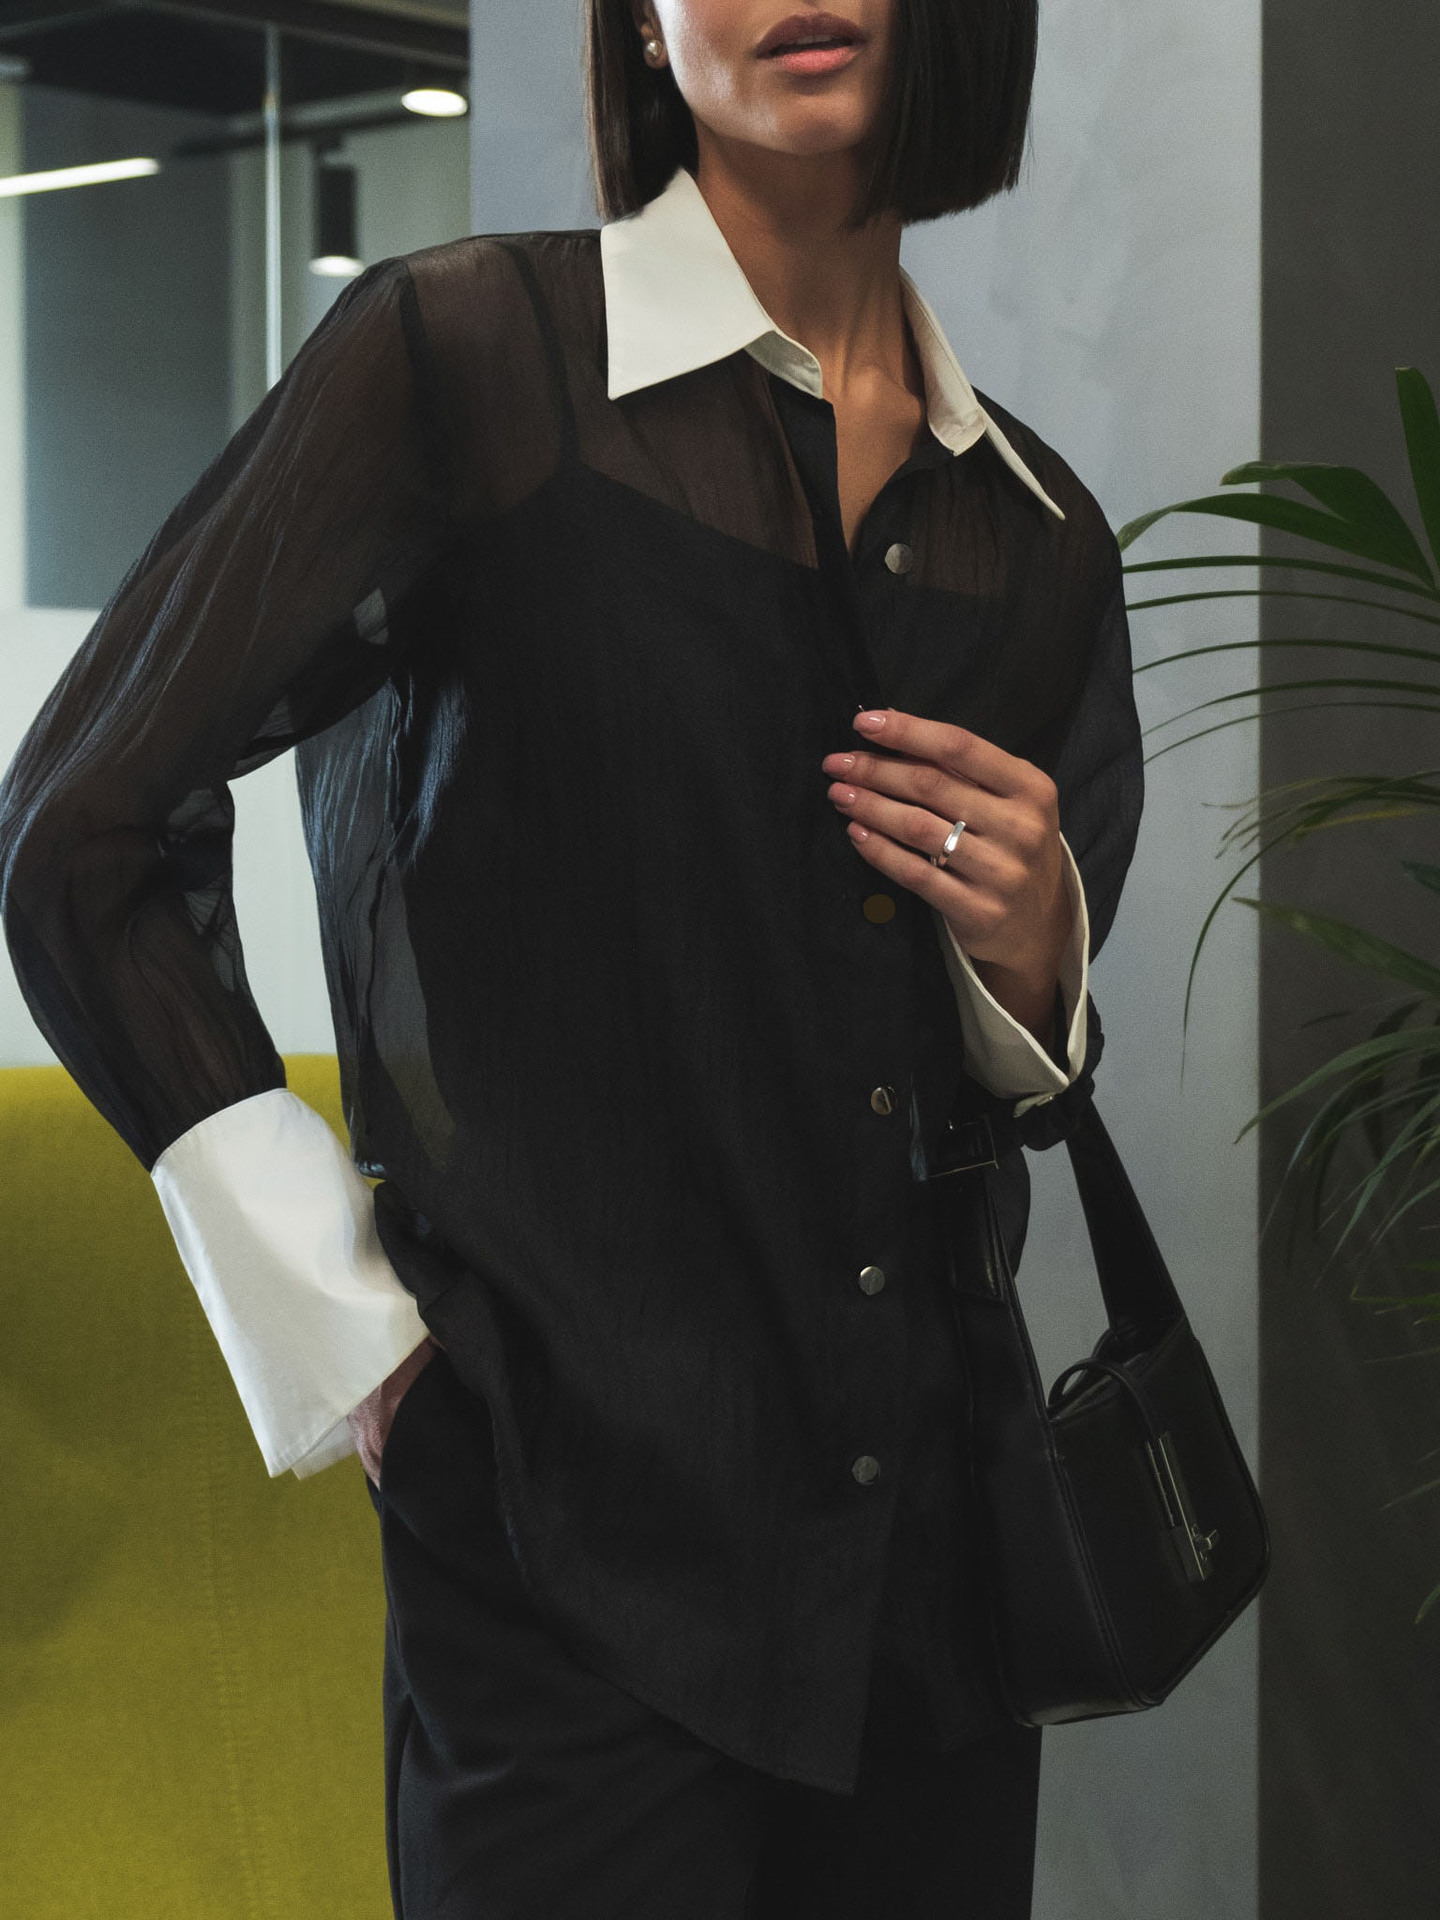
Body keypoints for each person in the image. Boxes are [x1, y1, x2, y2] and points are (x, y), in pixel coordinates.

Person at [0, 0, 1144, 1913]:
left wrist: (1037, 957)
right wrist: (365, 1349)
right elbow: (79, 829)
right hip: (561, 1555)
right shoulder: (466, 357)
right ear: (638, 25)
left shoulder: (1035, 533)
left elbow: (963, 1072)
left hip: (930, 1578)